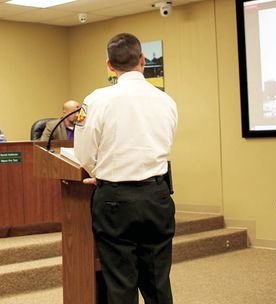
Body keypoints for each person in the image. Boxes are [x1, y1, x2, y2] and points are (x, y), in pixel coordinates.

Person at [74, 33, 178, 304]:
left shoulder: (97, 100)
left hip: (115, 200)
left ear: (109, 65)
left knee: (121, 281)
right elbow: (166, 142)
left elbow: (84, 154)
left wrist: (100, 172)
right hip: (157, 196)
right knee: (157, 281)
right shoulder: (166, 100)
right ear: (142, 60)